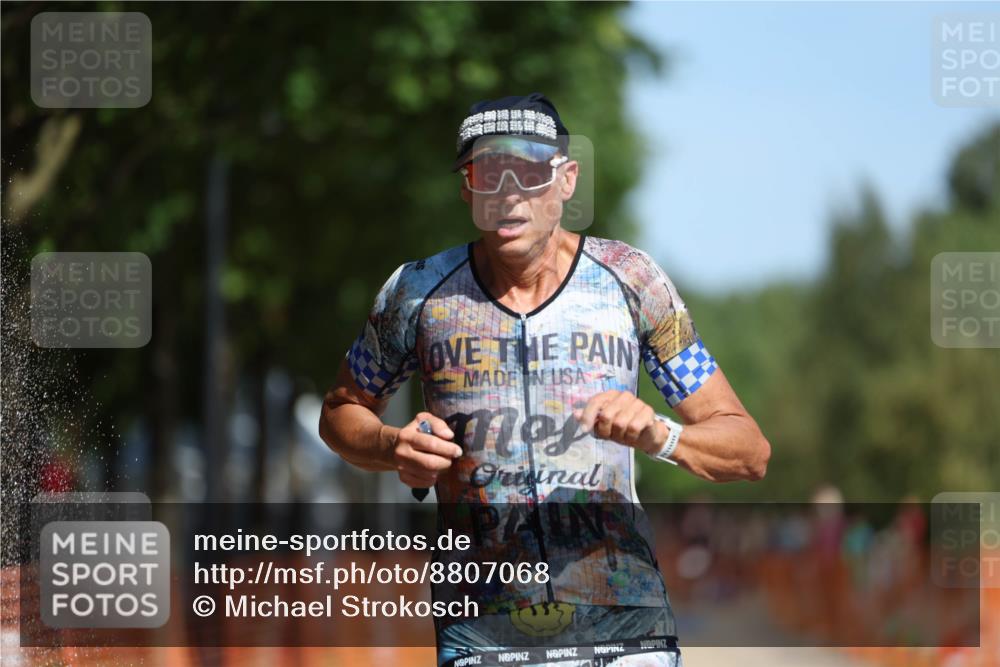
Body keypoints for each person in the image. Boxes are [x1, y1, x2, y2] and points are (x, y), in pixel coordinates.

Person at [320, 93, 771, 666]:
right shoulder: (416, 293)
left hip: (625, 629)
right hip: (484, 637)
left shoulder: (630, 281)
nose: (508, 195)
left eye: (529, 173)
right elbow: (340, 411)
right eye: (487, 174)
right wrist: (392, 446)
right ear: (466, 189)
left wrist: (660, 434)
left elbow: (748, 450)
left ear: (566, 180)